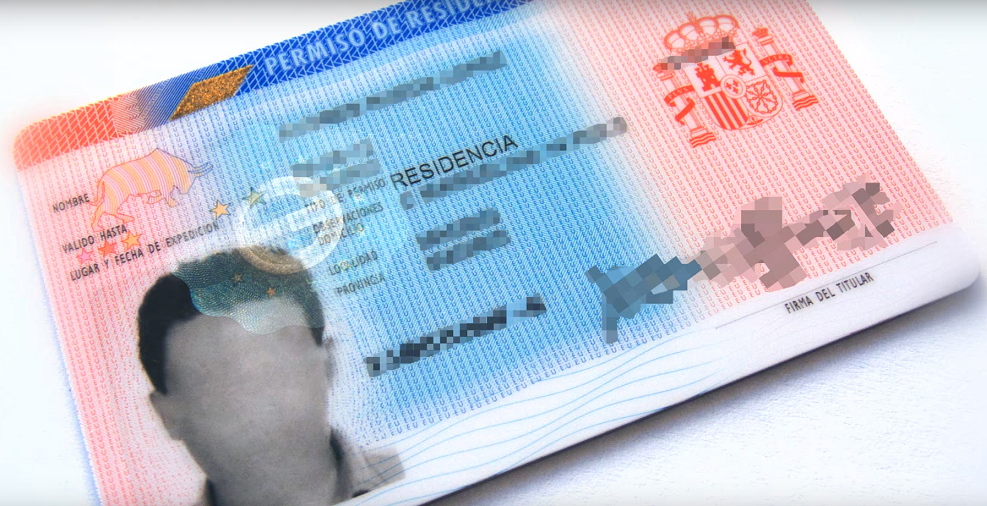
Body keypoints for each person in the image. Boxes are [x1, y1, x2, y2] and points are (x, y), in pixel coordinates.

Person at [137, 248, 397, 506]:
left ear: (329, 366)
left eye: (277, 371)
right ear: (167, 416)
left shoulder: (409, 472)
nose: (260, 409)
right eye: (221, 386)